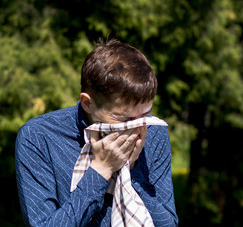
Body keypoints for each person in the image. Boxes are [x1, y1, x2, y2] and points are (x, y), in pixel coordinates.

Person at [15, 39, 178, 226]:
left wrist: (133, 170)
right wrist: (100, 171)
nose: (137, 128)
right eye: (123, 119)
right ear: (88, 103)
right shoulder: (38, 137)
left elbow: (168, 223)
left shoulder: (154, 132)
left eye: (145, 115)